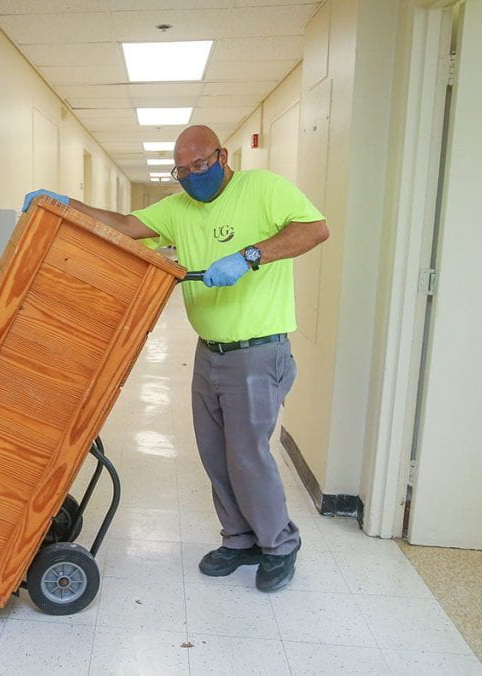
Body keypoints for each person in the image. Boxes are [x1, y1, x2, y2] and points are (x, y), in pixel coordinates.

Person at [22, 124, 328, 592]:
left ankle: (280, 546)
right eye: (181, 170)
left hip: (258, 351)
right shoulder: (178, 207)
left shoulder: (261, 188)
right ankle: (239, 539)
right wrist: (66, 203)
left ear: (223, 156)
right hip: (209, 352)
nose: (190, 176)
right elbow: (124, 225)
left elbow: (314, 229)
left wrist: (249, 256)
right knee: (214, 455)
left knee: (248, 456)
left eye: (200, 165)